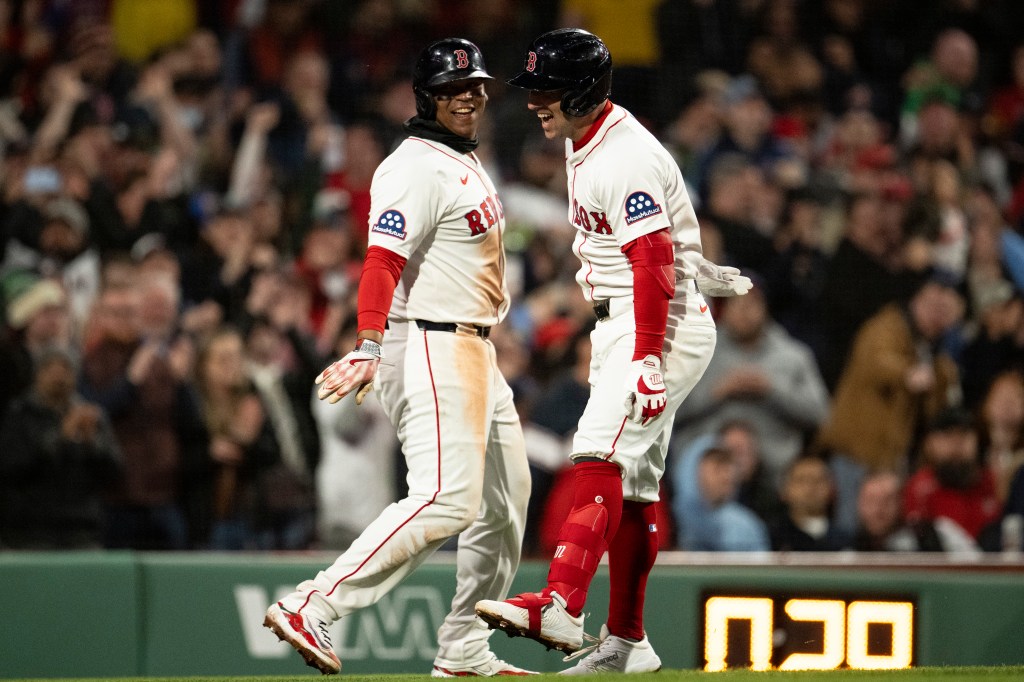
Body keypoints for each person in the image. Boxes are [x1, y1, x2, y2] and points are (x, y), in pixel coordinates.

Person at [474, 29, 751, 675]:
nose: (535, 102)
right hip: (630, 317)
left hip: (653, 324)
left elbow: (651, 257)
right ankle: (628, 640)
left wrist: (649, 355)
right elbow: (653, 246)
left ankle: (563, 602)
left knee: (597, 451)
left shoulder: (620, 155)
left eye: (545, 90)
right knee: (632, 485)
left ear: (578, 90)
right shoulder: (589, 138)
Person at [263, 38, 532, 677]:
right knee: (447, 498)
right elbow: (382, 261)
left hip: (474, 348)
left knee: (505, 501)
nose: (469, 97)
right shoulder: (413, 166)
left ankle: (464, 645)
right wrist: (368, 342)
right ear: (427, 97)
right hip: (430, 341)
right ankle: (315, 603)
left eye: (475, 87)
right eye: (453, 89)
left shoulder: (460, 160)